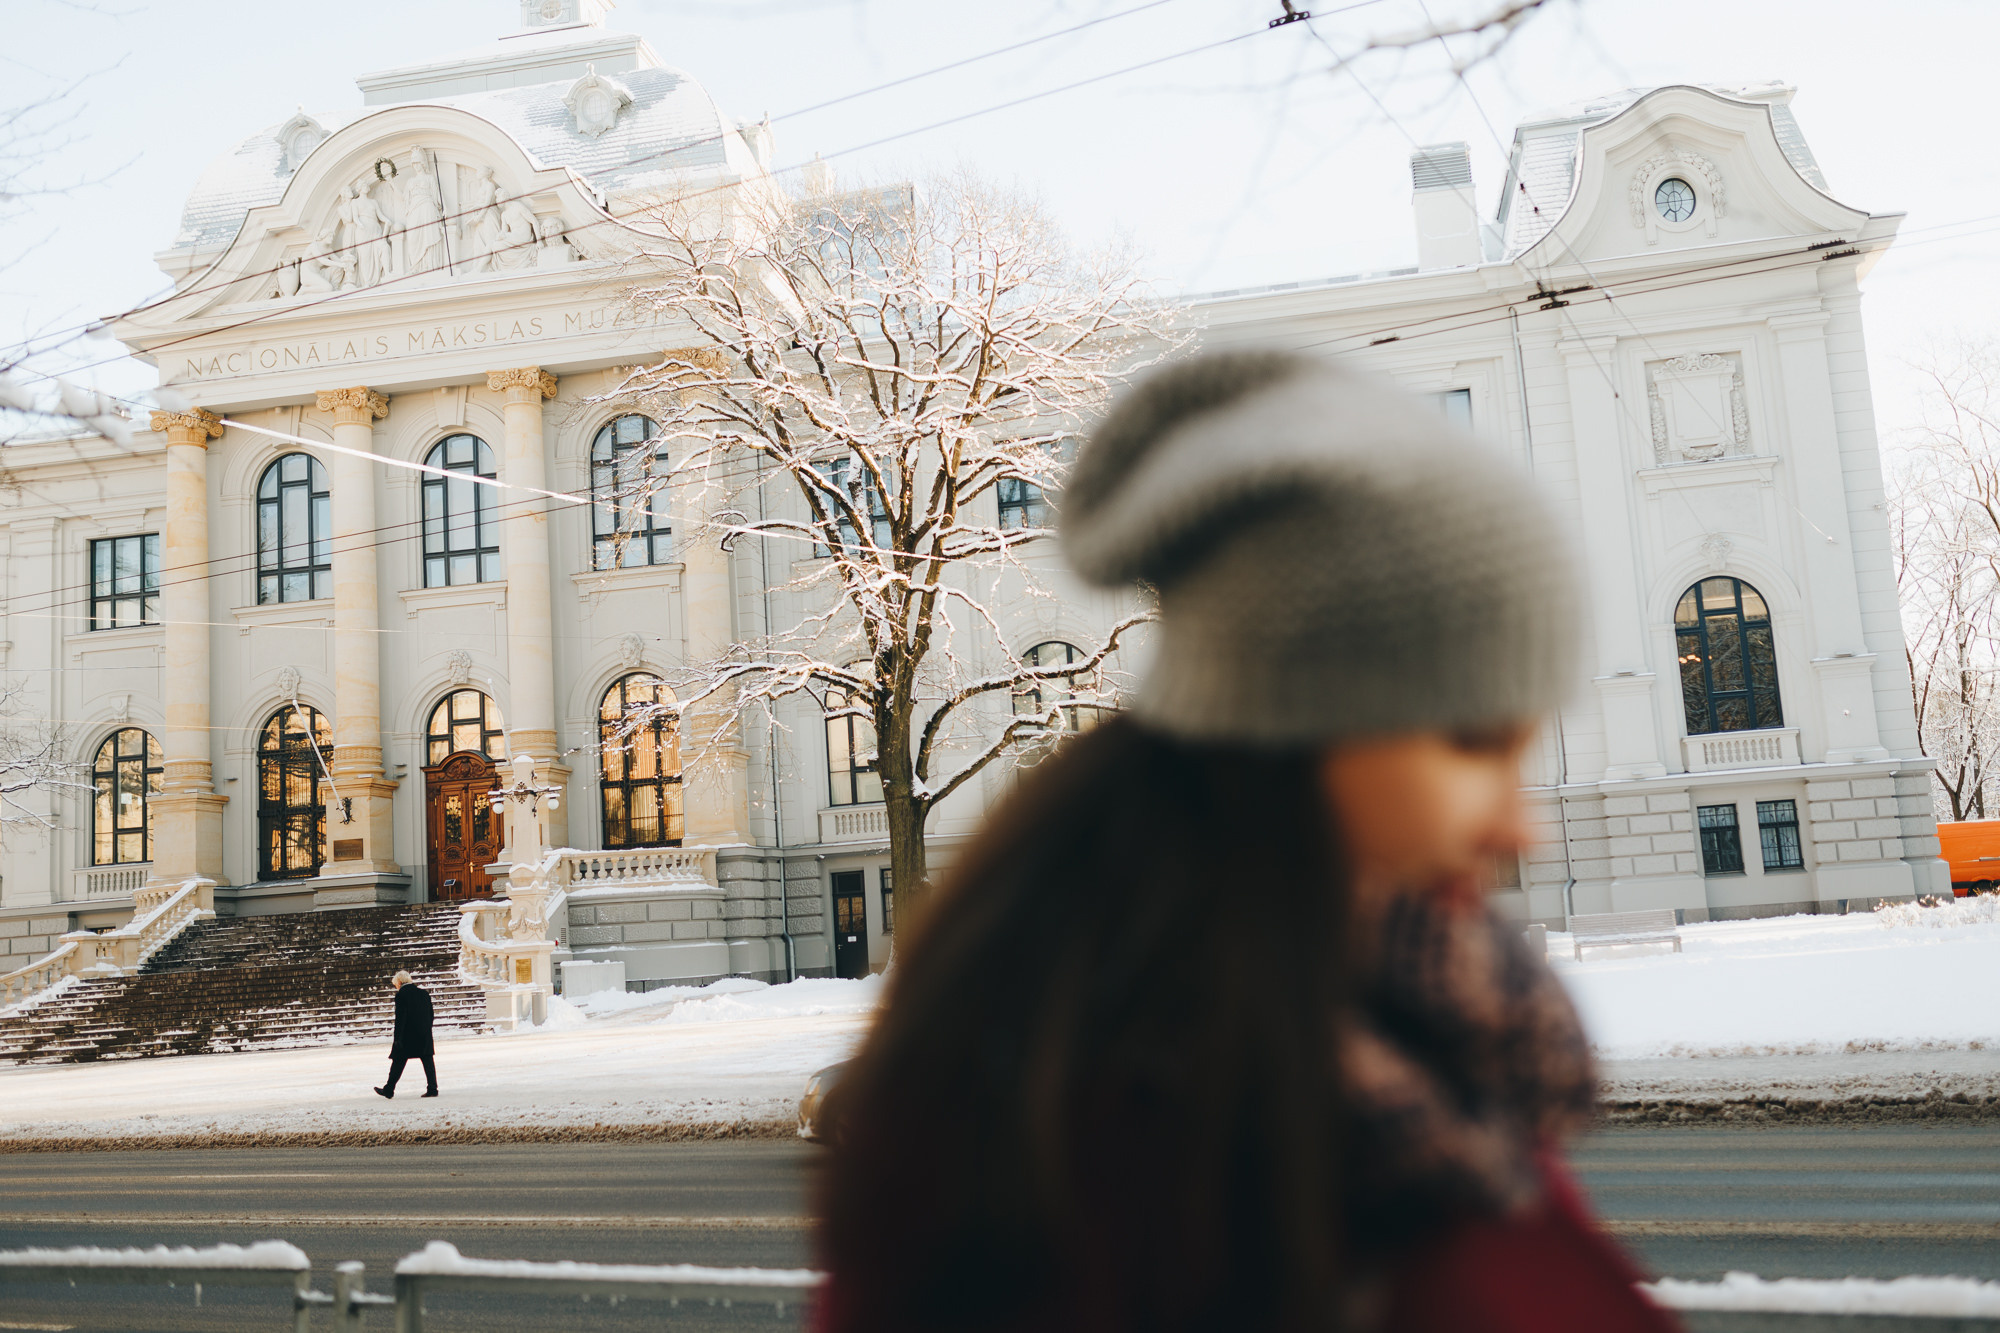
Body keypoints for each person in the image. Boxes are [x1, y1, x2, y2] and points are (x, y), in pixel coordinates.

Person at [812, 350, 1680, 1333]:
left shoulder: (1400, 1051)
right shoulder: (1137, 1155)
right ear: (1290, 725)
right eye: (1474, 742)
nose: (1518, 823)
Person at [375, 970, 438, 1100]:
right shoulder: (424, 993)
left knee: (398, 1061)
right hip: (424, 1033)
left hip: (407, 1035)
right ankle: (432, 1089)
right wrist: (426, 1029)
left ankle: (389, 1090)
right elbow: (431, 1014)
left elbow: (401, 1018)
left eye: (395, 984)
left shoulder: (401, 995)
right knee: (428, 1061)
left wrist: (397, 1038)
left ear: (399, 982)